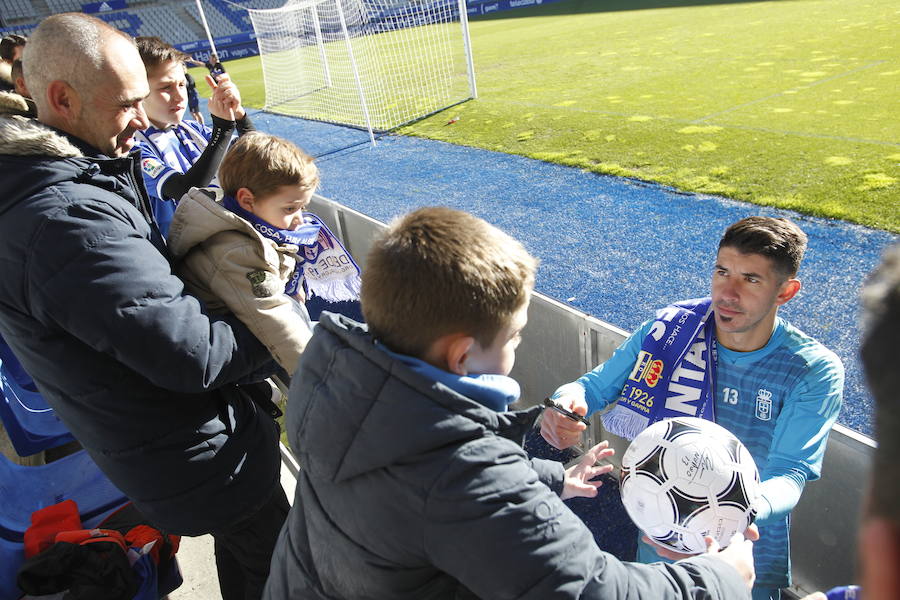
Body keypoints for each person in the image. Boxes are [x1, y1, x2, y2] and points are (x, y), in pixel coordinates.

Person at [263, 206, 757, 600]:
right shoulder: (465, 474)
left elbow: (414, 476)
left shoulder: (340, 380)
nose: (516, 346)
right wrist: (718, 577)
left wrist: (552, 477)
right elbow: (590, 589)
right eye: (514, 336)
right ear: (462, 354)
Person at [0, 14, 286, 599]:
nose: (141, 118)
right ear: (62, 99)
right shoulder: (65, 220)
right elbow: (195, 355)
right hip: (198, 456)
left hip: (171, 448)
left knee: (247, 555)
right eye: (127, 103)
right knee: (282, 569)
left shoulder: (57, 177)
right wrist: (280, 310)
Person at [541, 216, 844, 600]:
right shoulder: (674, 329)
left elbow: (790, 473)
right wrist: (566, 403)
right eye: (722, 272)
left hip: (742, 552)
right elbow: (593, 387)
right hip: (660, 538)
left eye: (751, 279)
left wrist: (729, 513)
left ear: (785, 292)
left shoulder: (811, 369)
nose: (727, 293)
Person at [166, 132, 320, 375]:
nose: (299, 219)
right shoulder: (236, 251)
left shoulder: (243, 221)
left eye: (303, 207)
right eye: (290, 208)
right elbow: (273, 317)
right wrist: (319, 374)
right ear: (247, 200)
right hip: (231, 354)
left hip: (242, 326)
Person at [134, 36, 255, 237]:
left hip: (222, 235)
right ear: (137, 90)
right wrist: (223, 129)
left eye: (182, 85)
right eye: (166, 87)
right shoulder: (133, 146)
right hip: (181, 249)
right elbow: (186, 191)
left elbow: (256, 156)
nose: (180, 96)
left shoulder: (192, 129)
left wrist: (239, 115)